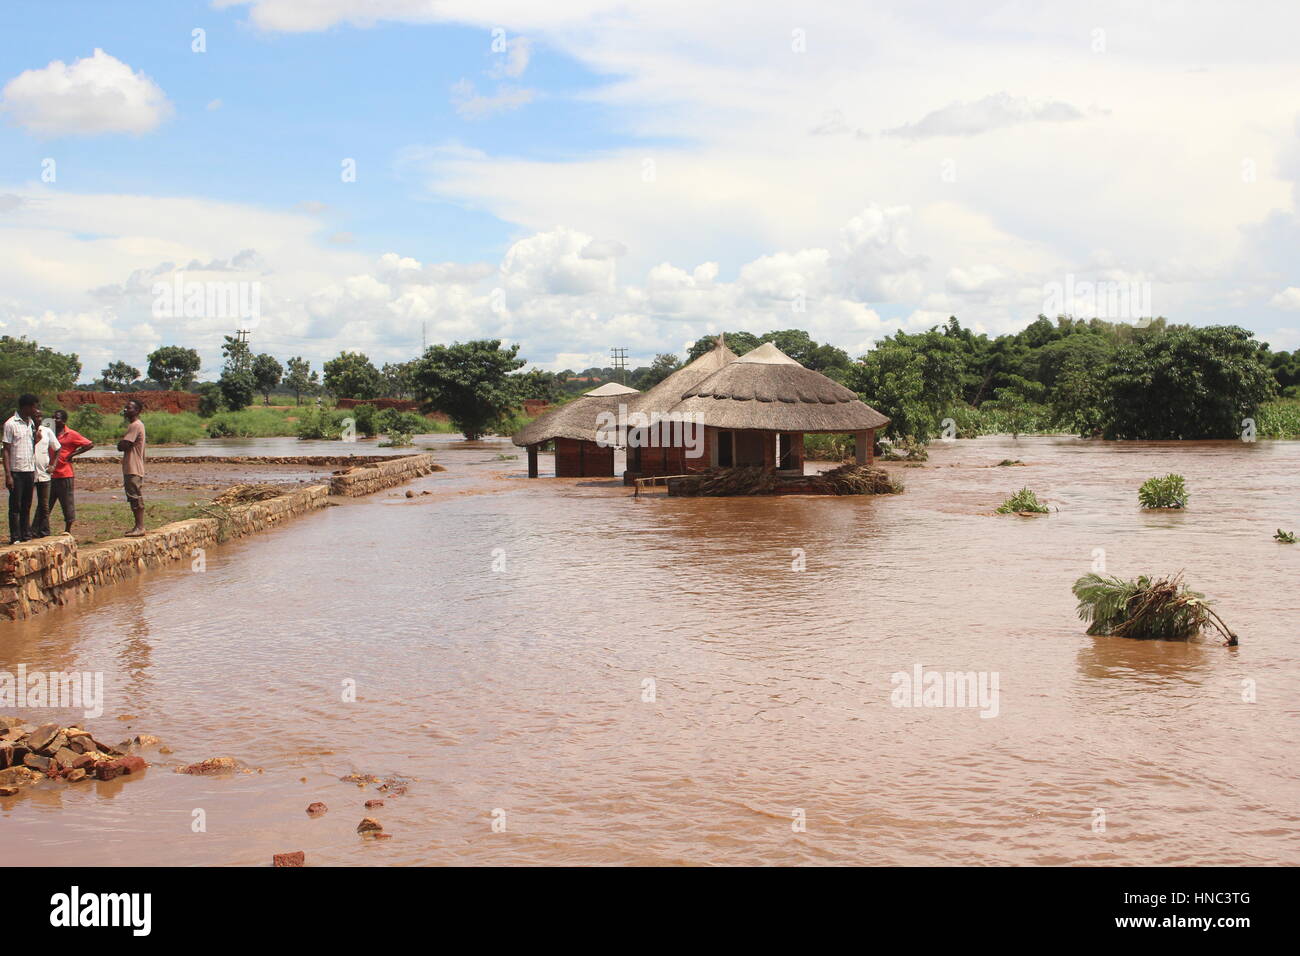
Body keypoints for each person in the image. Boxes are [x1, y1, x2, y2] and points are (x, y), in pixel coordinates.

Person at [50, 409, 94, 536]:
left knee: (67, 502)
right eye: (52, 417)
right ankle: (41, 529)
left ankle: (67, 530)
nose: (54, 420)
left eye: (56, 418)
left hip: (65, 473)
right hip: (49, 474)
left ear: (63, 421)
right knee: (46, 504)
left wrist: (73, 454)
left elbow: (89, 444)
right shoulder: (48, 432)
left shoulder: (71, 434)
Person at [3, 394, 39, 544]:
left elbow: (33, 444)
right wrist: (8, 475)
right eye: (33, 407)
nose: (35, 410)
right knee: (15, 506)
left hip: (29, 469)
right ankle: (15, 537)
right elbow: (6, 450)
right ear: (26, 407)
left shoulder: (31, 423)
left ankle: (26, 534)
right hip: (16, 471)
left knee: (27, 504)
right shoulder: (11, 424)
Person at [29, 405, 61, 538]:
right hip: (28, 473)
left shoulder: (47, 431)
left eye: (41, 416)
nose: (39, 419)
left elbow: (57, 448)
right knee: (25, 504)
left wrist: (53, 464)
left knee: (44, 506)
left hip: (44, 474)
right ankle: (26, 532)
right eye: (36, 416)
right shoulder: (26, 431)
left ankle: (44, 532)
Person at [118, 399, 147, 537]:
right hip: (133, 466)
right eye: (125, 407)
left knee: (134, 496)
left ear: (137, 411)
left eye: (128, 408)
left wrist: (121, 443)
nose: (125, 410)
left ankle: (140, 527)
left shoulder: (135, 425)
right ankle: (138, 526)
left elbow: (123, 445)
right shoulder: (136, 425)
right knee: (134, 496)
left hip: (133, 467)